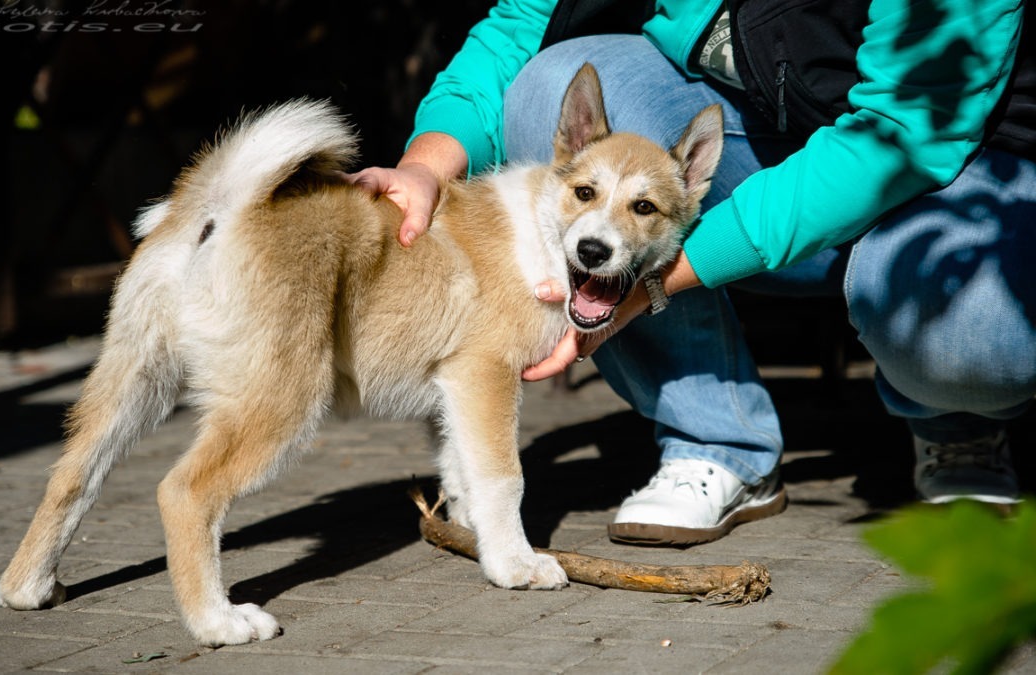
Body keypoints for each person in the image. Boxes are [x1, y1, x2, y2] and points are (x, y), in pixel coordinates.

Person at [350, 0, 1035, 545]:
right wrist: (427, 163)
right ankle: (716, 439)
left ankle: (957, 423)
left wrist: (654, 282)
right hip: (769, 135)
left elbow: (903, 133)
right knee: (547, 84)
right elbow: (524, 25)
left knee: (970, 334)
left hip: (953, 173)